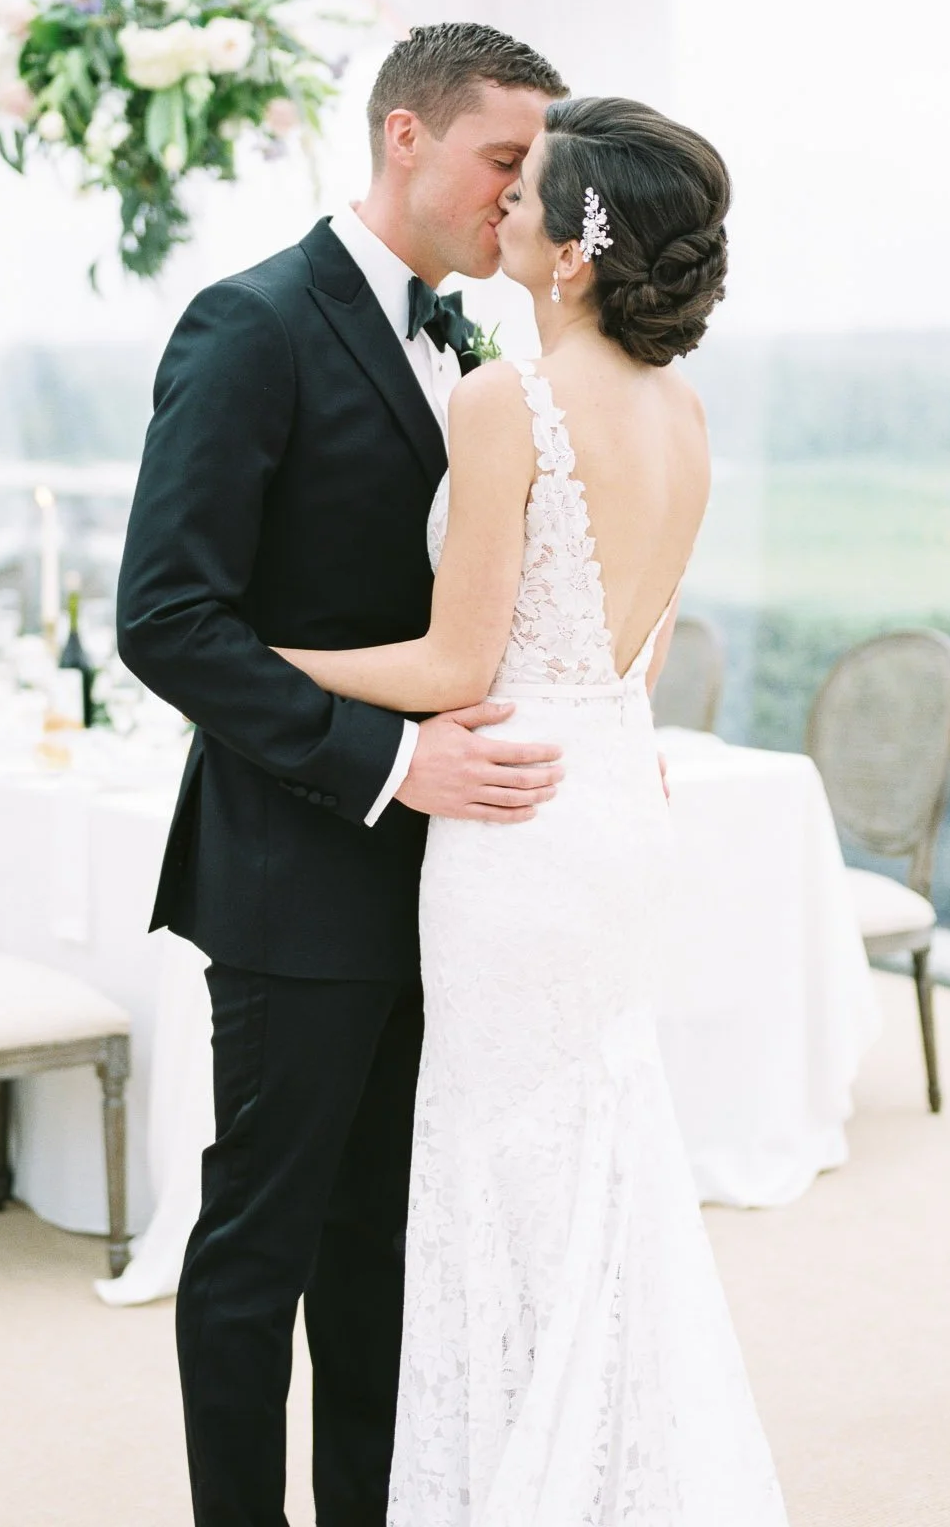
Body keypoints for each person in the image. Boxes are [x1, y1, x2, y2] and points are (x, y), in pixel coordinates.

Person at [276, 96, 790, 1523]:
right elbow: (637, 643)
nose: (498, 209)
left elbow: (454, 664)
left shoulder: (507, 398)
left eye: (524, 196)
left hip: (517, 814)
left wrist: (259, 655)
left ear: (571, 251)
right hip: (613, 792)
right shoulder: (680, 412)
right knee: (595, 1148)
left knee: (502, 1156)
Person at [116, 22, 571, 1526]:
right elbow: (166, 618)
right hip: (295, 873)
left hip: (447, 890)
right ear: (403, 136)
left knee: (379, 1250)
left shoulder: (471, 343)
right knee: (259, 1247)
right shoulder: (248, 324)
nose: (518, 200)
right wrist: (388, 763)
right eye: (503, 162)